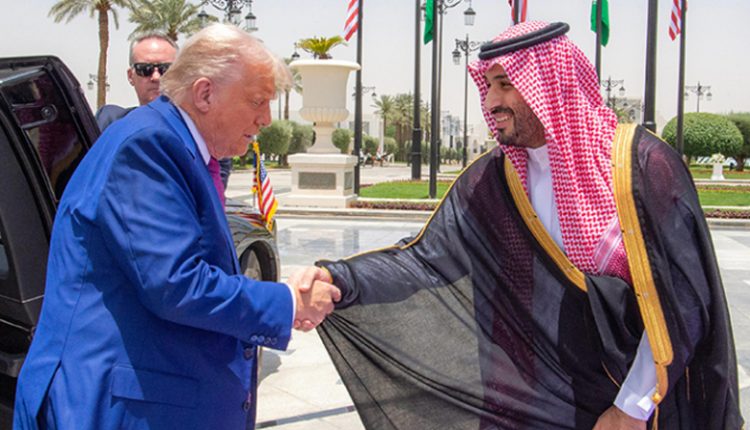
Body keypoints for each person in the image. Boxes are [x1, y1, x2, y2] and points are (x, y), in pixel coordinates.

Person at [309, 22, 743, 429]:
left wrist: (631, 407)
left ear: (551, 83)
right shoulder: (494, 178)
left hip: (632, 404)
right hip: (535, 400)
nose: (491, 102)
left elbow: (683, 300)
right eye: (488, 86)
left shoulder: (642, 167)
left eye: (505, 84)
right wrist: (338, 279)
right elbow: (425, 259)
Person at [14, 24, 338, 430]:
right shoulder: (148, 145)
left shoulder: (178, 145)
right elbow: (175, 284)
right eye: (257, 101)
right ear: (204, 94)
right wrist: (287, 302)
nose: (266, 119)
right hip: (111, 410)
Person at [95, 32, 178, 131]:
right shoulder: (110, 123)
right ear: (130, 76)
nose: (156, 77)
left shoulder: (193, 128)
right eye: (145, 69)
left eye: (166, 69)